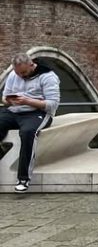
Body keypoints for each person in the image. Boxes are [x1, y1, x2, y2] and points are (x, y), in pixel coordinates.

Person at [0, 54, 61, 192]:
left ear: (31, 65)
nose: (21, 76)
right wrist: (9, 100)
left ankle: (23, 178)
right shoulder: (13, 75)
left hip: (37, 113)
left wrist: (27, 101)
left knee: (28, 133)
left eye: (24, 73)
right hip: (13, 110)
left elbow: (52, 105)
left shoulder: (48, 76)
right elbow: (4, 97)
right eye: (18, 73)